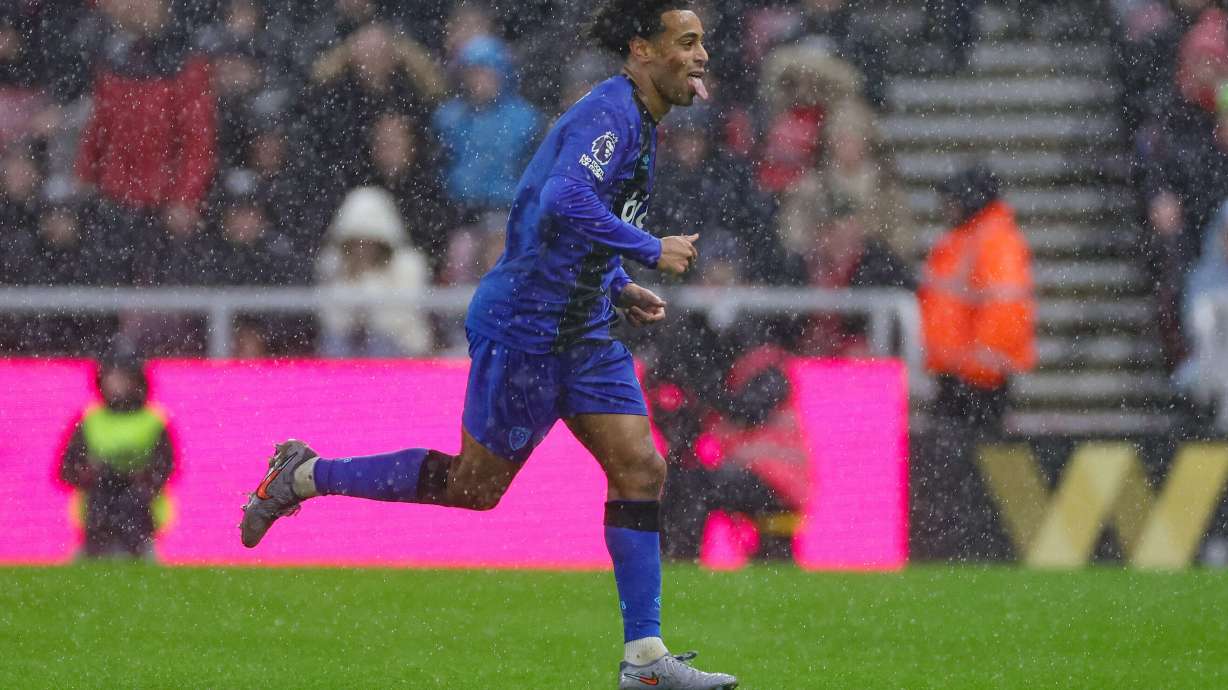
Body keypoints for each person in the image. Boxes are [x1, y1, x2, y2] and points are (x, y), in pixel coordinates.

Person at [239, 2, 738, 688]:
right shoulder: (613, 113)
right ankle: (303, 473)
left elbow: (561, 216)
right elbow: (565, 197)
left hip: (584, 329)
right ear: (641, 49)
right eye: (686, 41)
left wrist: (618, 283)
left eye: (702, 41)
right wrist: (649, 249)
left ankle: (645, 659)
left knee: (640, 468)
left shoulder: (641, 124)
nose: (702, 54)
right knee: (473, 488)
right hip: (527, 329)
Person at [59, 355, 174, 559]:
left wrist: (139, 479)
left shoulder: (153, 420)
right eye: (111, 377)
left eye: (121, 377)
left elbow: (165, 466)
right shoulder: (91, 419)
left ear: (136, 380)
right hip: (97, 511)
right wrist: (92, 473)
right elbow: (68, 467)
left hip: (140, 512)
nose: (115, 383)